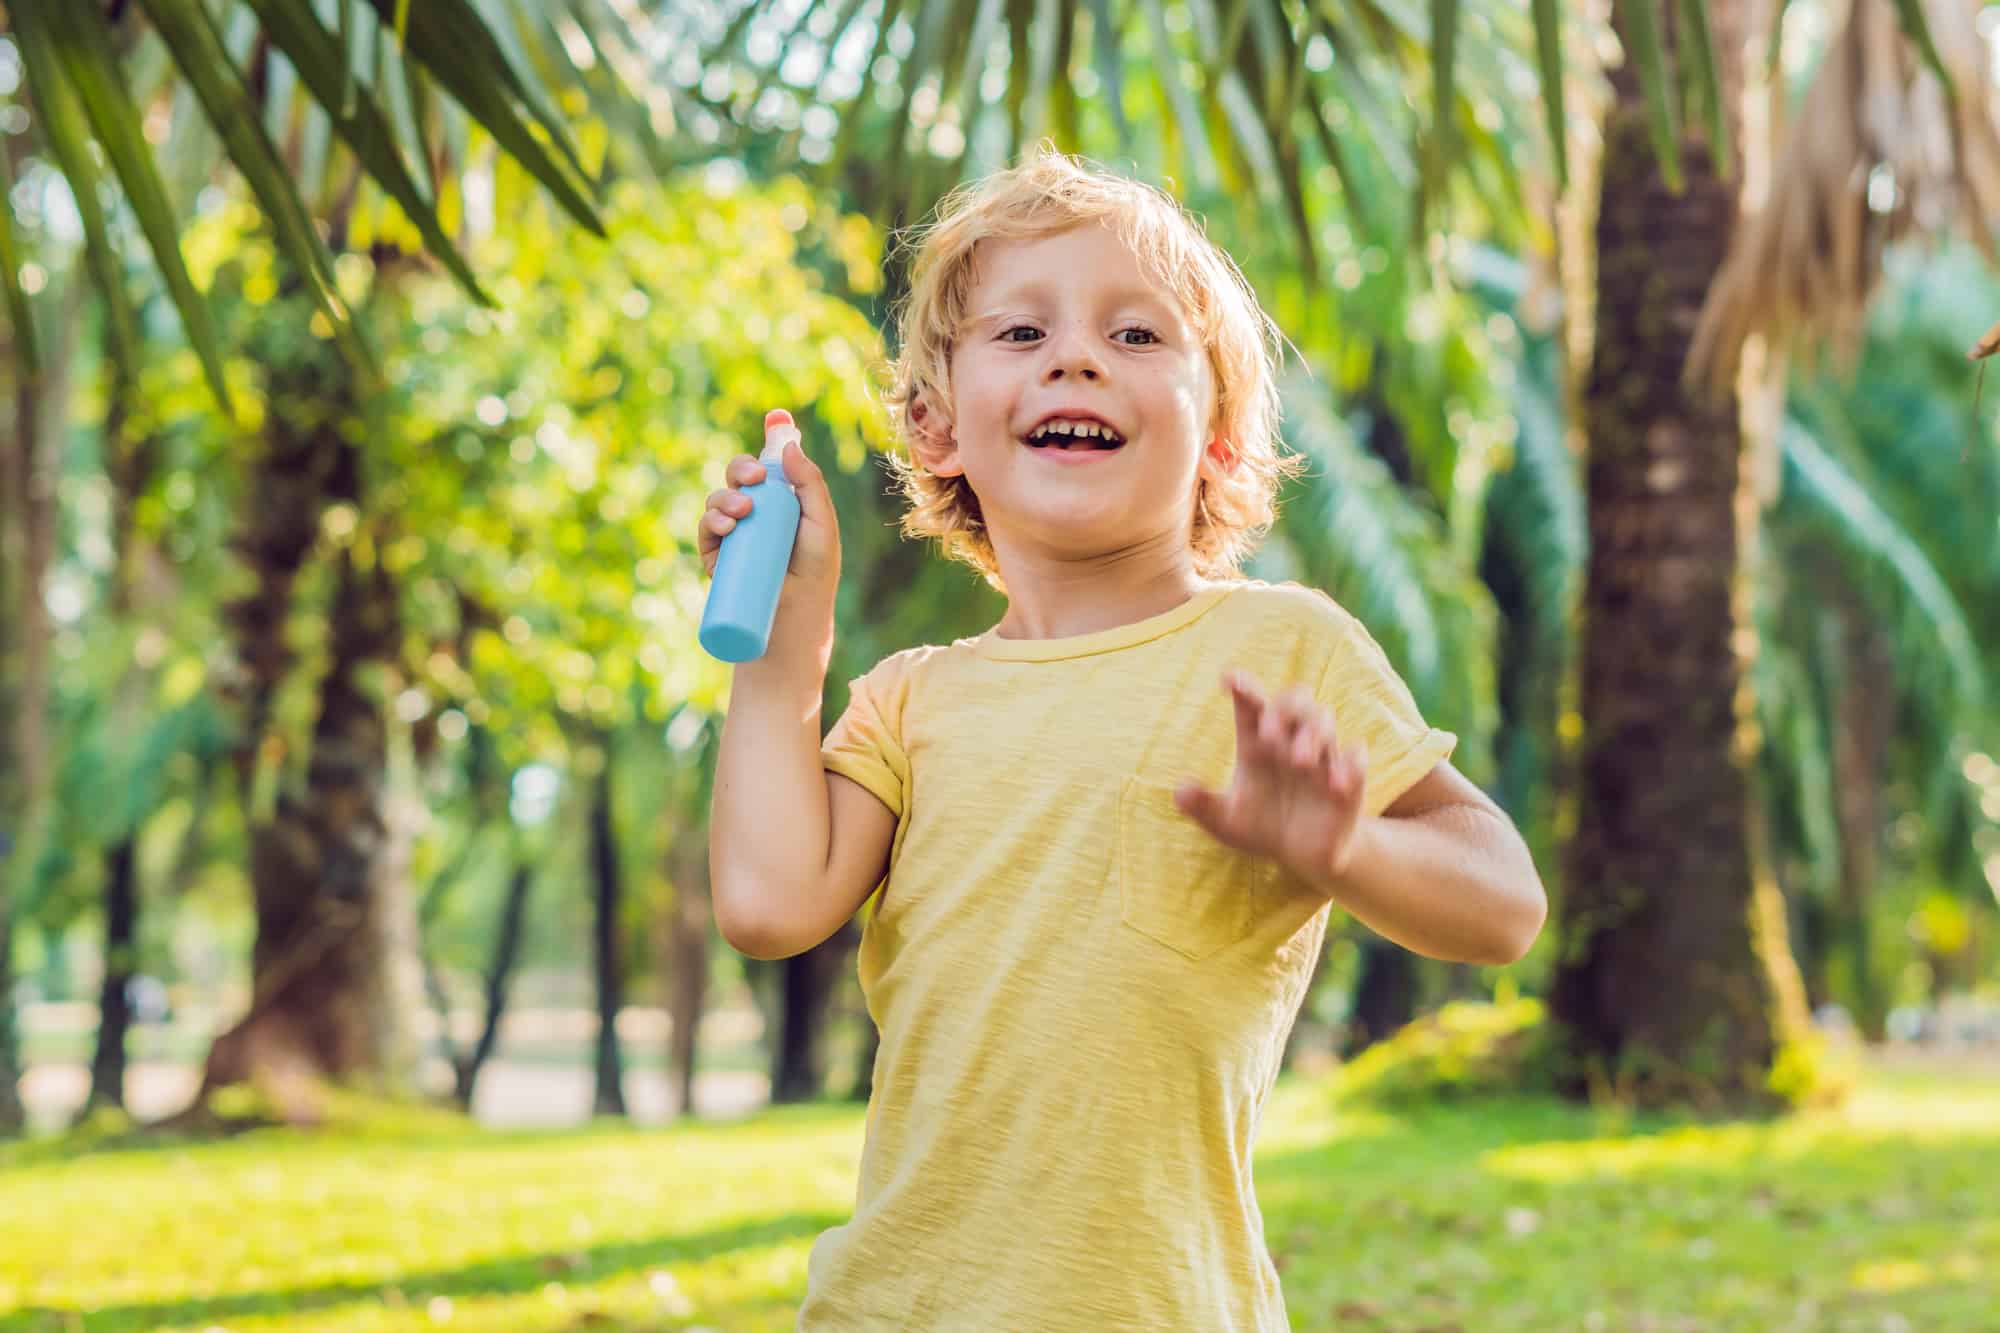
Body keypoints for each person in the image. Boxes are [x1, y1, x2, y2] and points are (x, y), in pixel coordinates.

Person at [699, 148, 1548, 1331]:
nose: (1076, 356)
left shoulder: (1276, 646)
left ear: (1219, 435)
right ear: (934, 426)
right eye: (1018, 333)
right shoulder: (910, 700)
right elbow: (768, 900)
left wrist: (1346, 844)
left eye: (1137, 337)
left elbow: (1502, 904)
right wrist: (788, 645)